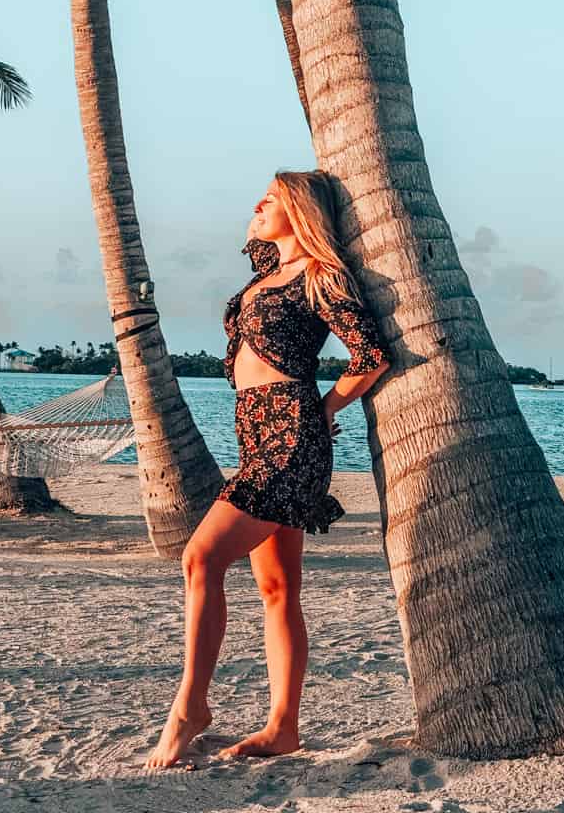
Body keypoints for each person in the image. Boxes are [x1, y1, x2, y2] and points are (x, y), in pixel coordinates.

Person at [146, 169, 390, 768]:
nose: (257, 205)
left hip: (290, 436)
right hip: (256, 431)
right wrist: (266, 227)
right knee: (278, 589)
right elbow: (257, 244)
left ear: (302, 211)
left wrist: (327, 405)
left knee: (200, 558)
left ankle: (190, 709)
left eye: (272, 199)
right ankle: (284, 728)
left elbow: (370, 354)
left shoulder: (319, 276)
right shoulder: (267, 273)